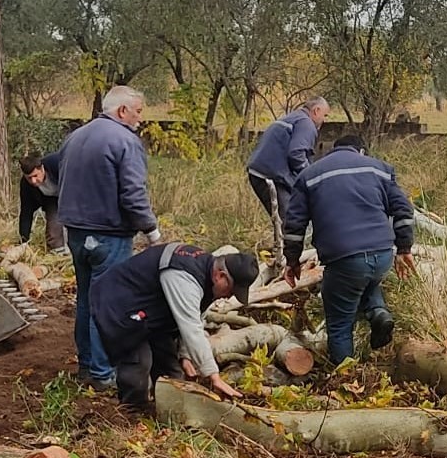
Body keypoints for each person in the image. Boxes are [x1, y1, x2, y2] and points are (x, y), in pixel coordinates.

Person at [58, 85, 161, 391]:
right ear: (122, 111)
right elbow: (133, 193)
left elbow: (60, 177)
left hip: (76, 233)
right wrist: (151, 229)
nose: (141, 119)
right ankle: (103, 375)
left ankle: (87, 366)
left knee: (86, 299)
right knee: (108, 303)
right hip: (109, 235)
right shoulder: (124, 141)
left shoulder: (76, 136)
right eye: (138, 111)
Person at [283, 134, 416, 364]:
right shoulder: (381, 169)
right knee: (366, 280)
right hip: (382, 254)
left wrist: (292, 260)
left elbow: (294, 225)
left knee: (339, 323)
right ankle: (378, 312)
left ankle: (346, 377)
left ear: (333, 150)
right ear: (361, 151)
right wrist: (404, 248)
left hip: (344, 258)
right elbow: (404, 209)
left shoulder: (309, 176)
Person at [90, 242, 253, 413]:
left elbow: (196, 317)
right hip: (120, 302)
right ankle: (130, 415)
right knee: (138, 363)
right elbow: (191, 328)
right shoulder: (183, 276)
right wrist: (213, 375)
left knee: (171, 371)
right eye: (231, 290)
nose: (229, 297)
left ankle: (167, 412)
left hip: (153, 312)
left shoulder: (206, 277)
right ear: (220, 276)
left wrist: (185, 355)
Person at [246, 97, 329, 231]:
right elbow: (296, 154)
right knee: (290, 220)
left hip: (259, 172)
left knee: (282, 219)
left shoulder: (292, 118)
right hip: (271, 176)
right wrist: (309, 179)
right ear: (316, 110)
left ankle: (281, 247)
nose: (324, 120)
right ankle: (289, 251)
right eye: (325, 115)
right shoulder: (306, 124)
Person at [18, 152, 67, 253]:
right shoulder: (26, 185)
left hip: (71, 194)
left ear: (42, 168)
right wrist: (23, 241)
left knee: (75, 225)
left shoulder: (56, 163)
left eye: (35, 175)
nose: (34, 181)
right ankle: (57, 255)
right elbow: (26, 213)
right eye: (29, 178)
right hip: (51, 200)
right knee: (53, 232)